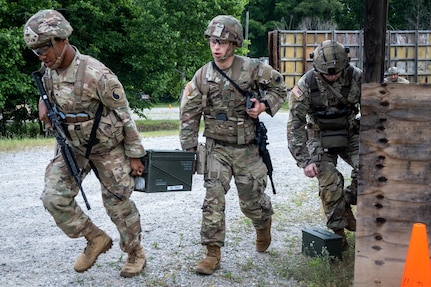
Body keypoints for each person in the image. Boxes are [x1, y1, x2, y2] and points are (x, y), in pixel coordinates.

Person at [23, 9, 146, 277]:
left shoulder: (96, 74)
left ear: (60, 40)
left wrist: (136, 155)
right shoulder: (48, 71)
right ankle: (95, 238)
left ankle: (135, 252)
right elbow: (49, 95)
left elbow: (124, 114)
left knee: (118, 203)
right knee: (53, 197)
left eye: (43, 48)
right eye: (35, 51)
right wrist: (42, 103)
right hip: (73, 147)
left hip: (107, 147)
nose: (40, 56)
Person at [179, 15, 287, 275]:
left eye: (223, 42)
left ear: (234, 44)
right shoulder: (203, 75)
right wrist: (189, 149)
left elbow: (280, 88)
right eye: (213, 41)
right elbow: (189, 113)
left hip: (247, 149)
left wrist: (263, 105)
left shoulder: (252, 69)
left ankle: (263, 223)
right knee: (213, 199)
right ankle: (212, 253)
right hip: (216, 149)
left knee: (251, 202)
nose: (216, 47)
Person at [287, 40, 361, 249]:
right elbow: (295, 124)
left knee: (370, 168)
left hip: (349, 132)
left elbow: (376, 107)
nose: (332, 77)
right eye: (327, 74)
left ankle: (348, 199)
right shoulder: (305, 85)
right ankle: (338, 234)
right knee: (329, 182)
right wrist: (305, 160)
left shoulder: (357, 77)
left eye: (336, 73)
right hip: (319, 136)